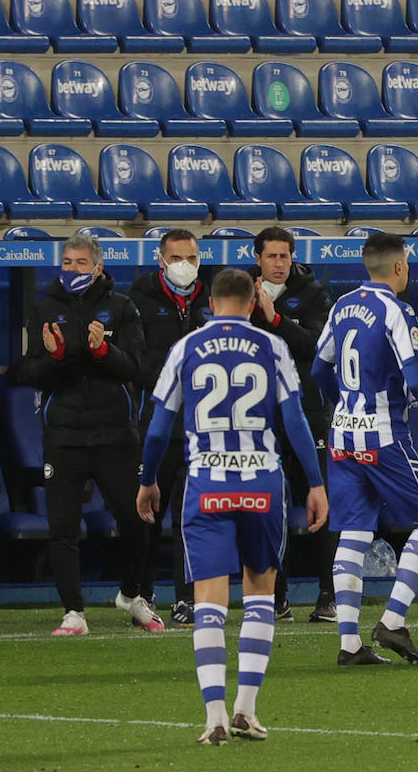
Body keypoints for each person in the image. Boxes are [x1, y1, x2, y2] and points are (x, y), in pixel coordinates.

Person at [136, 268, 328, 745]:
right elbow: (296, 420)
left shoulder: (186, 348)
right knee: (261, 595)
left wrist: (148, 480)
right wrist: (317, 483)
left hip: (206, 485)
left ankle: (214, 717)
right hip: (262, 484)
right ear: (251, 300)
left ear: (212, 300)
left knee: (208, 604)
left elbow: (159, 427)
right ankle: (247, 708)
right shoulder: (272, 346)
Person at [311, 232, 418, 666]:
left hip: (343, 435)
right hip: (384, 434)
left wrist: (344, 404)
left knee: (353, 531)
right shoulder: (397, 310)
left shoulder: (342, 305)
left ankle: (349, 645)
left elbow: (318, 367)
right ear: (399, 267)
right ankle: (393, 621)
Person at [21, 230, 161, 636]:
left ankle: (131, 595)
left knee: (137, 520)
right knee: (63, 526)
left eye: (81, 263)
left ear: (98, 266)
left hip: (116, 434)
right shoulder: (45, 307)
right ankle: (74, 612)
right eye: (67, 263)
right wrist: (56, 357)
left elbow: (135, 368)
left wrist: (103, 351)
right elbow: (30, 372)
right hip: (63, 435)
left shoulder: (122, 307)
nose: (73, 270)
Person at [247, 227, 338, 622]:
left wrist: (276, 318)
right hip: (259, 416)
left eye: (285, 256)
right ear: (258, 258)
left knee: (320, 504)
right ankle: (276, 596)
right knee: (267, 506)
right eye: (272, 256)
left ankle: (329, 595)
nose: (279, 264)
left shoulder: (314, 294)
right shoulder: (242, 292)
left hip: (307, 411)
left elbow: (316, 345)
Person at [130, 229, 209, 626]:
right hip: (156, 420)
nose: (184, 266)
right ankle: (142, 594)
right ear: (161, 259)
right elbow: (134, 357)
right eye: (176, 257)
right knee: (148, 513)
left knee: (188, 514)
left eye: (191, 258)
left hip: (199, 426)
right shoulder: (139, 296)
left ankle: (186, 598)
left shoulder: (209, 297)